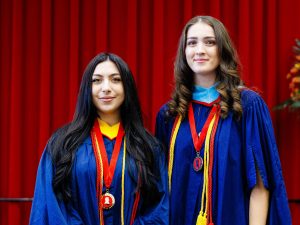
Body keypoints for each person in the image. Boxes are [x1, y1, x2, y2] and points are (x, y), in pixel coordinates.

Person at [155, 15, 291, 225]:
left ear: (223, 49)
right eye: (192, 43)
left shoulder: (246, 106)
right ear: (184, 52)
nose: (200, 50)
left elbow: (260, 186)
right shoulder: (170, 115)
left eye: (210, 42)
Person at [30, 53, 169, 225]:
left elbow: (159, 209)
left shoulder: (149, 148)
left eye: (115, 80)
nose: (106, 88)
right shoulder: (62, 145)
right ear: (87, 89)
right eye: (96, 80)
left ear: (127, 87)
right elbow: (52, 207)